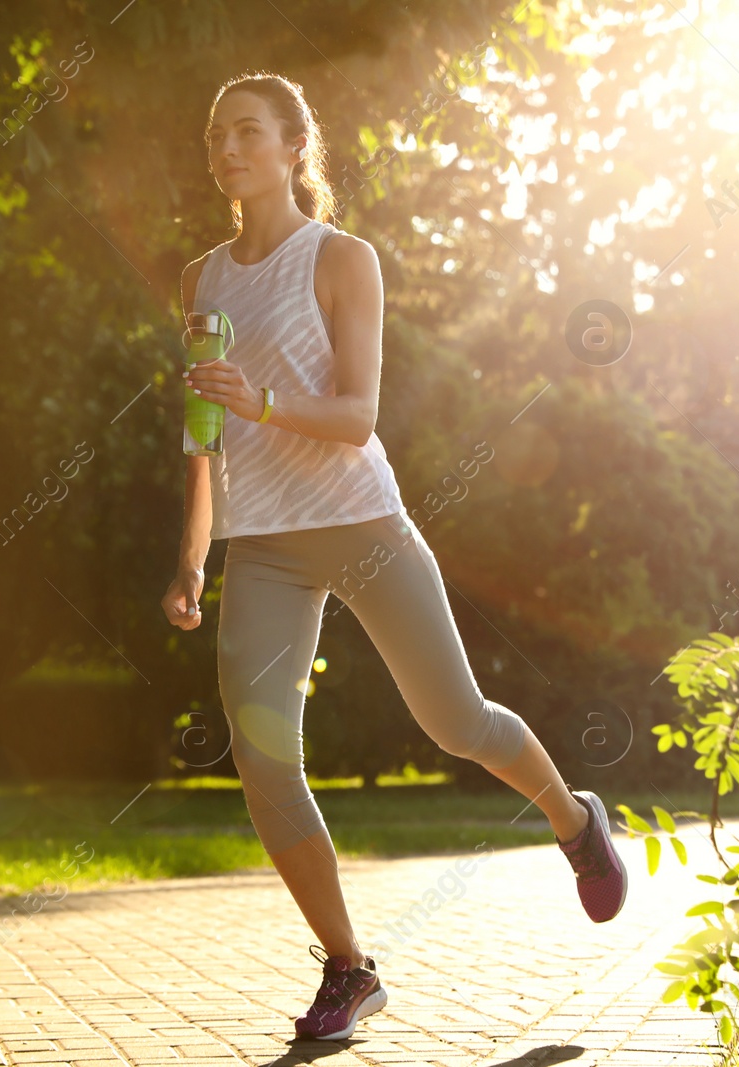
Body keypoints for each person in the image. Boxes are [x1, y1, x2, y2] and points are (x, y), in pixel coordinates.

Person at [160, 71, 627, 1043]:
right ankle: (347, 965)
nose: (228, 147)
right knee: (260, 756)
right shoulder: (203, 279)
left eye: (248, 130)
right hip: (264, 544)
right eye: (216, 134)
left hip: (361, 520)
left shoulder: (340, 259)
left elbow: (357, 414)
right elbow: (203, 431)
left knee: (455, 718)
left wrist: (263, 403)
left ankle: (575, 818)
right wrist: (191, 557)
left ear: (294, 148)